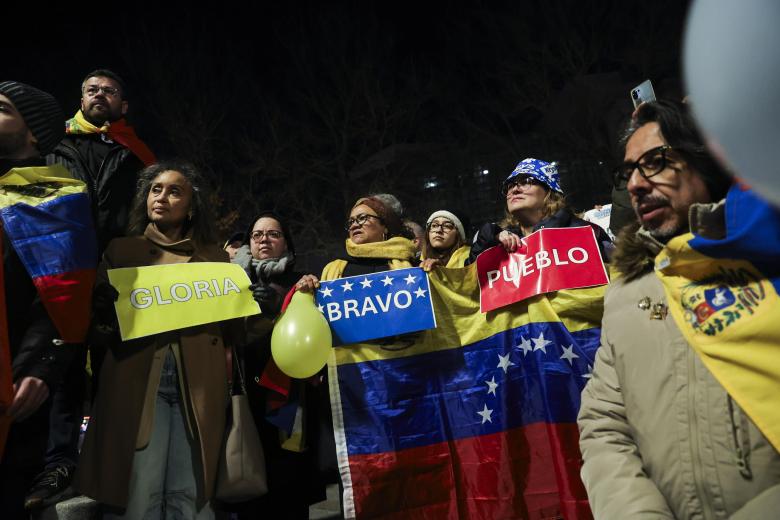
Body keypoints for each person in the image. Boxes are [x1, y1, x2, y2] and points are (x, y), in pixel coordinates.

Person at [577, 100, 780, 519]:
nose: (635, 183)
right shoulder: (626, 292)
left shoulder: (768, 255)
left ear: (706, 160)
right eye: (629, 170)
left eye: (655, 162)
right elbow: (604, 426)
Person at [29, 69, 157, 508]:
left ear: (124, 105)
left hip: (121, 277)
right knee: (62, 368)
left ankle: (111, 463)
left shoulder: (139, 155)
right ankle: (57, 464)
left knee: (115, 371)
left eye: (110, 90)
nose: (100, 95)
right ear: (80, 98)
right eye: (92, 89)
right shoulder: (52, 147)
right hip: (64, 273)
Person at [74, 161, 229, 519]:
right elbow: (95, 333)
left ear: (191, 207)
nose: (162, 197)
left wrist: (263, 306)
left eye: (175, 191)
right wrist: (103, 313)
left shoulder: (215, 259)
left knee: (187, 494)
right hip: (140, 384)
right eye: (156, 189)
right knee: (140, 491)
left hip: (199, 389)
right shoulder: (121, 252)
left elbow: (235, 331)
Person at [0, 81, 85, 517]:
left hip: (14, 382)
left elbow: (64, 294)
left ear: (32, 131)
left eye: (2, 108)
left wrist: (40, 368)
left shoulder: (57, 195)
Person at [229, 211, 326, 519]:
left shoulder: (304, 282)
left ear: (286, 243)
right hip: (243, 396)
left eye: (273, 234)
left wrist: (283, 303)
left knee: (289, 487)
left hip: (289, 400)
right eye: (257, 235)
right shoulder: (230, 281)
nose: (264, 240)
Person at [466, 158, 612, 264]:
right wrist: (488, 240)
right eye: (509, 186)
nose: (515, 189)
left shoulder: (584, 231)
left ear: (549, 191)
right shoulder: (498, 241)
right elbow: (467, 288)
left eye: (526, 182)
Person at [297, 195, 417, 290]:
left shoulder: (414, 265)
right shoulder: (332, 269)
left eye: (362, 218)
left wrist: (433, 272)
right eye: (351, 222)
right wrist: (309, 286)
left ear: (385, 225)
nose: (354, 225)